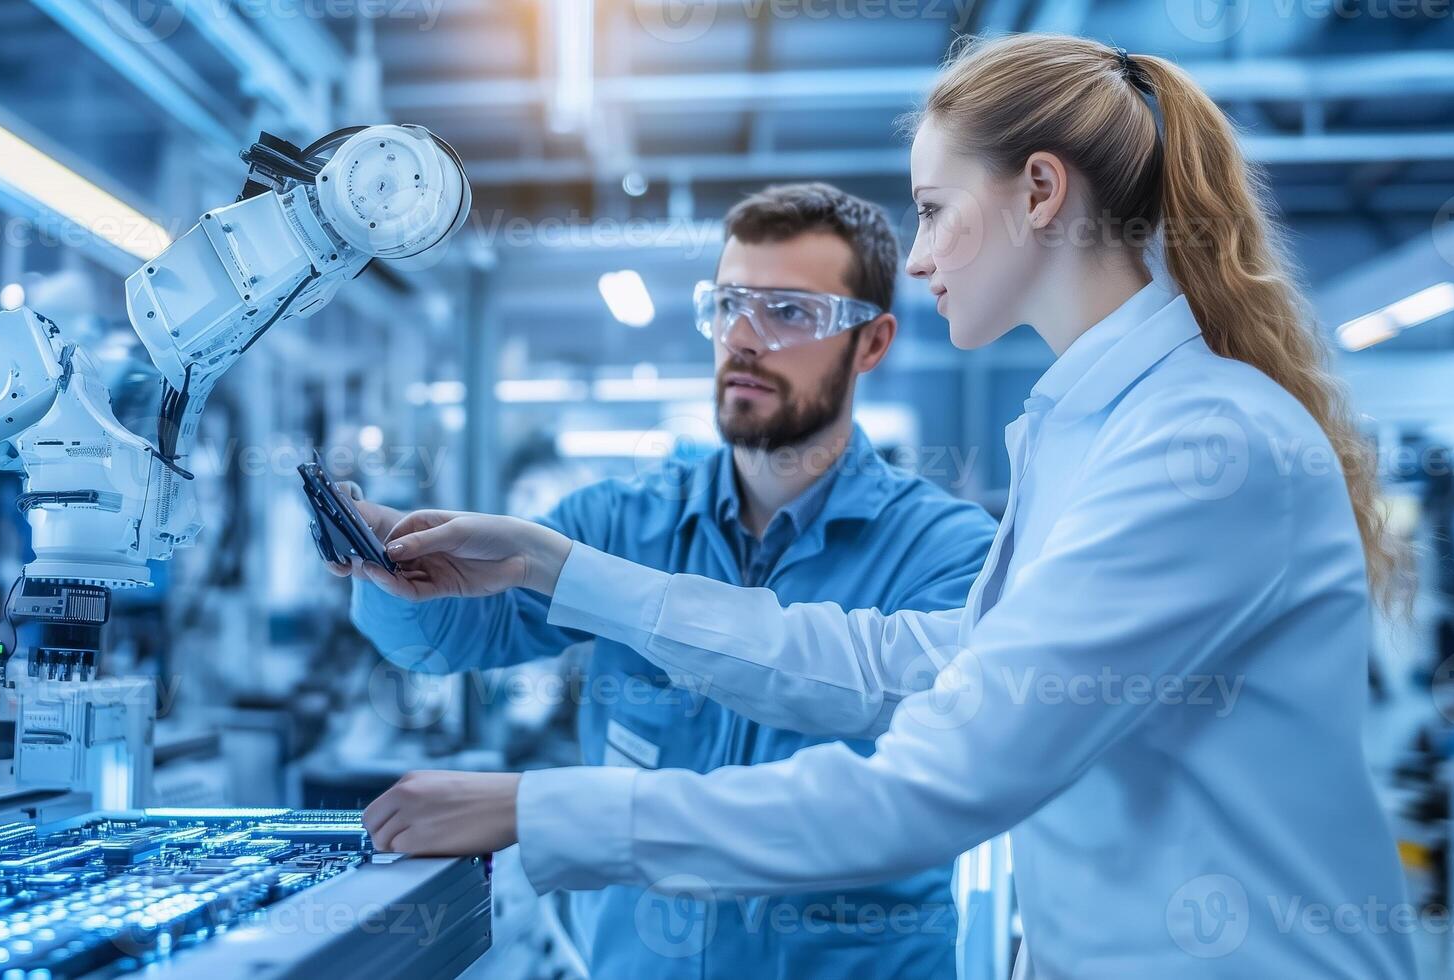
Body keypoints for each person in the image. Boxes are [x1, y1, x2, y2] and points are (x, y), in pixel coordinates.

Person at [348, 35, 1421, 978]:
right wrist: (553, 564)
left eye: (936, 210)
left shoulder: (1200, 445)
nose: (918, 255)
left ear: (1040, 191)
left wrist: (539, 809)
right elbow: (897, 666)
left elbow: (932, 783)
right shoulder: (1086, 432)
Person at [341, 184, 998, 977]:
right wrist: (390, 563)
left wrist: (538, 808)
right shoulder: (620, 522)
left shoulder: (945, 555)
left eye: (789, 312)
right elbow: (443, 642)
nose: (743, 339)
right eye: (728, 305)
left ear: (871, 342)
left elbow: (893, 807)